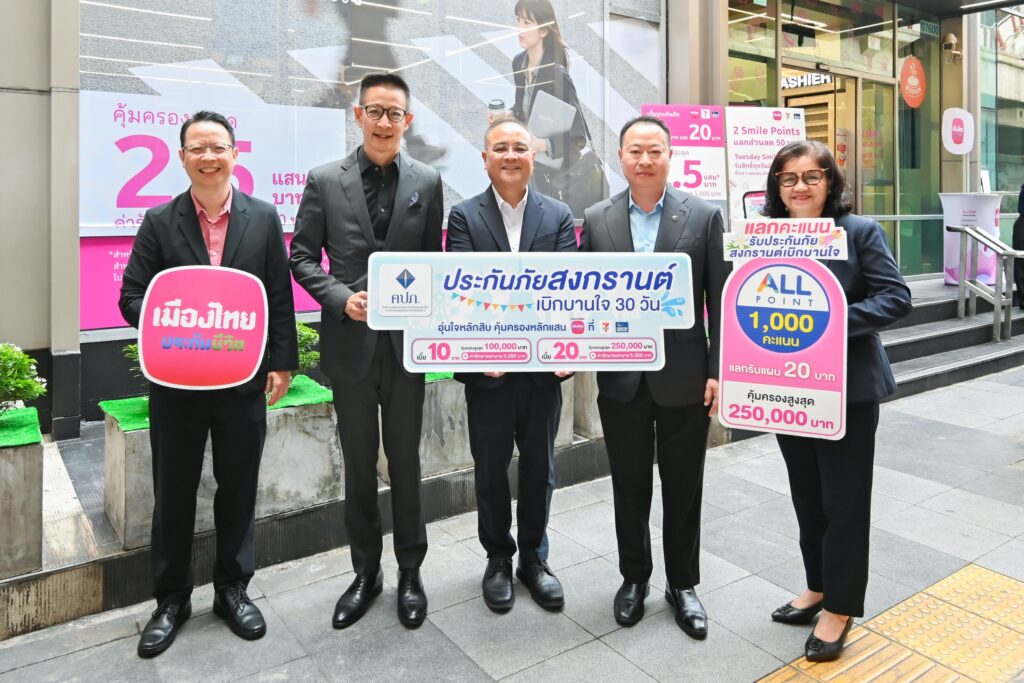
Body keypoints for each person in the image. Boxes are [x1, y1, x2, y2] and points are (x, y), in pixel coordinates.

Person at [119, 111, 298, 657]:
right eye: (197, 148)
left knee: (238, 487)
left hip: (242, 382)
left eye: (217, 147)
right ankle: (171, 600)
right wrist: (175, 320)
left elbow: (278, 295)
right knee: (173, 491)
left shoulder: (263, 217)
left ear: (234, 154)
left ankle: (232, 589)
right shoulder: (159, 220)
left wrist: (283, 362)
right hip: (177, 385)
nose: (208, 157)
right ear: (182, 158)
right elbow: (131, 296)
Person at [289, 73, 444, 630]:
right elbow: (301, 257)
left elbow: (434, 263)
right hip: (350, 346)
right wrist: (339, 298)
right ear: (358, 116)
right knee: (358, 464)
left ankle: (410, 572)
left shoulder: (427, 181)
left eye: (394, 113)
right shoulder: (324, 180)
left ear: (408, 120)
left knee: (406, 462)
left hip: (406, 350)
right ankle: (365, 572)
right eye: (374, 111)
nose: (384, 122)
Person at [580, 115, 729, 639]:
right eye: (635, 151)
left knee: (684, 486)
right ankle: (634, 578)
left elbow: (720, 301)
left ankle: (682, 584)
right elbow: (583, 295)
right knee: (629, 485)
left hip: (685, 378)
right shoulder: (596, 218)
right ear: (620, 156)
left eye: (655, 150)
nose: (645, 160)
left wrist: (718, 370)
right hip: (621, 379)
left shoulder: (704, 216)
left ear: (670, 156)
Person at [762, 140, 911, 662]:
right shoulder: (766, 237)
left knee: (844, 502)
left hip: (847, 389)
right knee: (806, 495)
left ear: (831, 181)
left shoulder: (859, 232)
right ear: (777, 187)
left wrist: (825, 322)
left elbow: (896, 298)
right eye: (788, 178)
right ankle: (818, 585)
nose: (800, 186)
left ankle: (840, 607)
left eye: (812, 176)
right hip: (787, 386)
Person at [446, 118, 577, 613]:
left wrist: (565, 351)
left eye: (519, 147)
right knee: (490, 471)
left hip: (543, 374)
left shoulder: (558, 214)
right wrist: (484, 351)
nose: (509, 155)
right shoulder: (464, 215)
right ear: (485, 158)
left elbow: (567, 289)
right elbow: (464, 290)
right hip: (490, 373)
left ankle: (535, 561)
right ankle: (498, 557)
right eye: (499, 148)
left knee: (541, 470)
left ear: (533, 157)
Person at [506, 0, 605, 216]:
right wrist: (507, 116)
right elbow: (523, 107)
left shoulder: (556, 74)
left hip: (557, 179)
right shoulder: (519, 63)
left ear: (543, 30)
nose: (519, 28)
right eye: (518, 20)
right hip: (531, 171)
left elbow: (578, 136)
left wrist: (541, 144)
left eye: (527, 22)